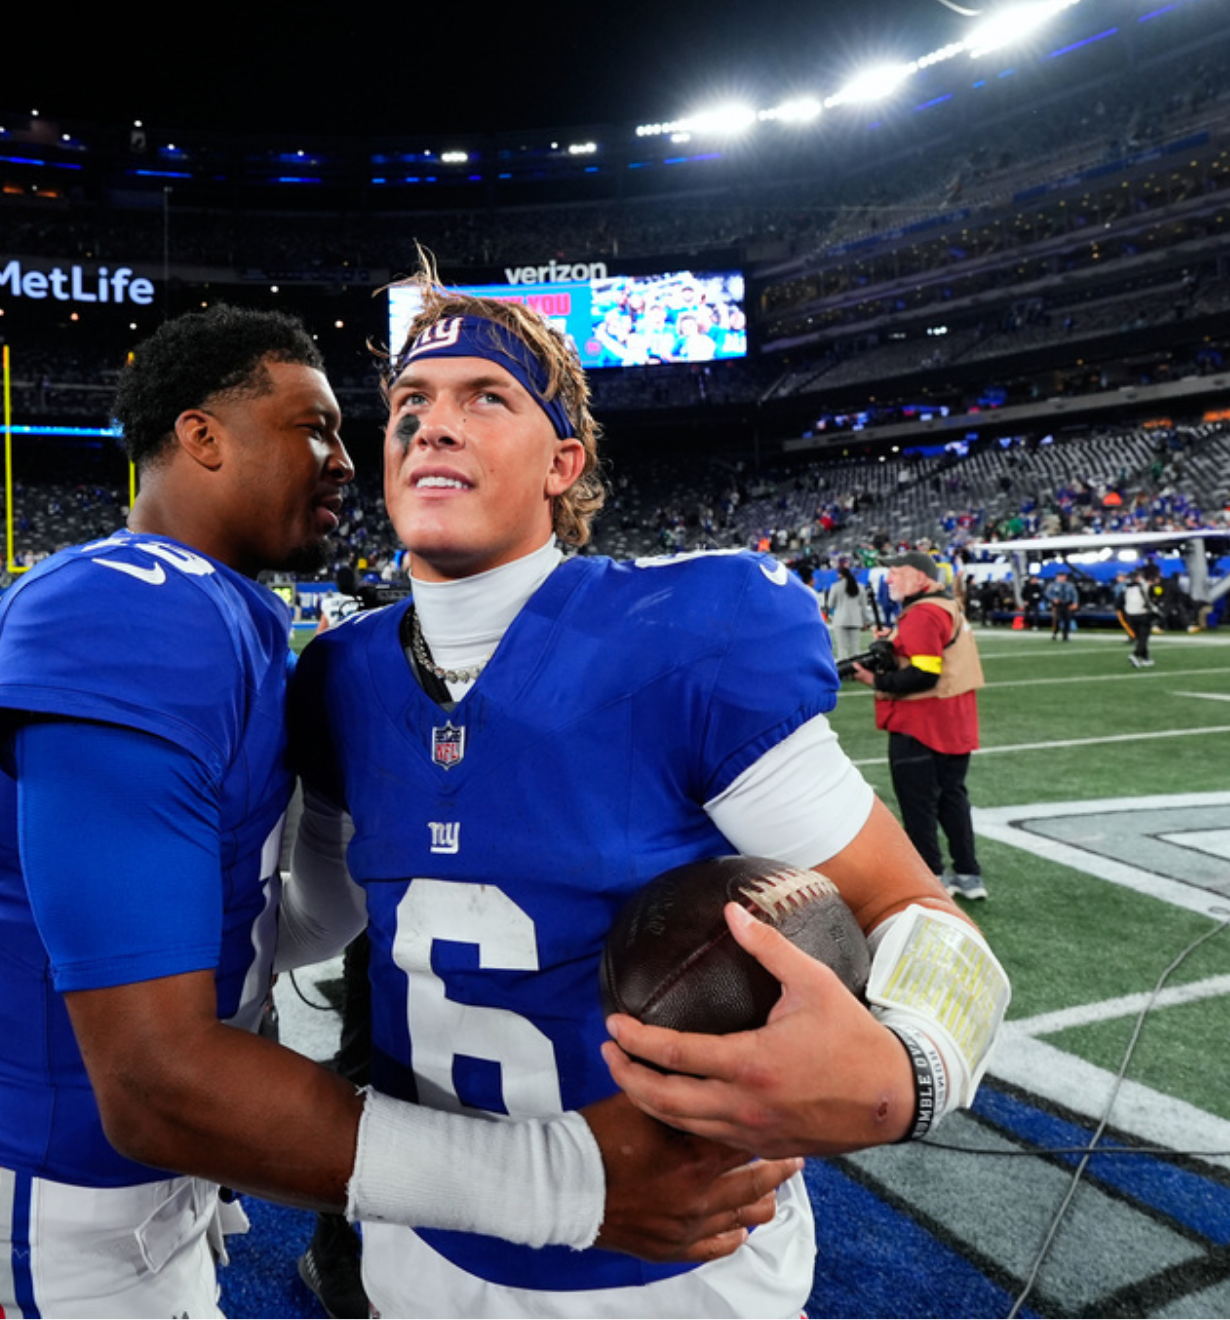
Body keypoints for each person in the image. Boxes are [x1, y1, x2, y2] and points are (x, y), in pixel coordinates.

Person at [0, 307, 777, 1319]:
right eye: (314, 428)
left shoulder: (226, 613)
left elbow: (244, 929)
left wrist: (368, 847)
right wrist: (567, 1186)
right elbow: (155, 1079)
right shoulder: (129, 603)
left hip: (118, 1198)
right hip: (42, 1212)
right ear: (203, 436)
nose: (345, 460)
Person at [292, 282, 1008, 1316]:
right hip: (425, 1255)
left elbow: (915, 910)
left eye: (486, 396)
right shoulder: (341, 673)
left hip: (680, 1274)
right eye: (411, 403)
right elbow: (321, 919)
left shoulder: (683, 635)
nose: (432, 424)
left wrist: (911, 1068)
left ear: (562, 463)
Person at [853, 551, 988, 902]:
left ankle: (932, 876)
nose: (889, 579)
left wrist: (874, 679)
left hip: (922, 724)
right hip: (954, 722)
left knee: (919, 805)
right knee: (953, 798)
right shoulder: (946, 605)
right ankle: (968, 873)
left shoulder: (923, 613)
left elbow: (925, 674)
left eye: (897, 572)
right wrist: (896, 641)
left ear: (921, 577)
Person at [824, 563, 873, 659]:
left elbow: (830, 604)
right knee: (855, 648)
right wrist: (866, 621)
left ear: (840, 574)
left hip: (840, 620)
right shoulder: (860, 587)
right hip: (855, 620)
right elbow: (864, 607)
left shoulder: (835, 586)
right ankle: (857, 667)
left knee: (842, 648)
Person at [1120, 563, 1160, 668]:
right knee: (1143, 638)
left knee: (1140, 638)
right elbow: (1152, 599)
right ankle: (1135, 655)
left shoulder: (1127, 587)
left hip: (1130, 614)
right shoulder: (1146, 586)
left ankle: (1145, 658)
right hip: (1142, 613)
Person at [1046, 566, 1080, 641]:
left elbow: (1074, 595)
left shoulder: (1070, 585)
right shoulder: (1053, 585)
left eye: (1063, 576)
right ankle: (1055, 632)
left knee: (1067, 620)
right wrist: (1053, 599)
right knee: (1057, 619)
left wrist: (1075, 603)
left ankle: (1065, 635)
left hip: (1067, 604)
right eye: (1060, 576)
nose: (1061, 578)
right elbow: (1048, 594)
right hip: (1058, 605)